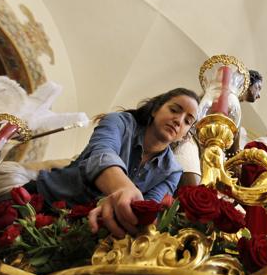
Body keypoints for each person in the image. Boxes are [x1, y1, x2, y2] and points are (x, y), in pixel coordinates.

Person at [22, 87, 200, 238]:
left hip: (85, 231)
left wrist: (134, 215)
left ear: (185, 134)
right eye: (174, 110)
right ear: (155, 110)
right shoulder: (119, 122)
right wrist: (124, 189)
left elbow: (148, 209)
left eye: (187, 121)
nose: (179, 120)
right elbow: (101, 153)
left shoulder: (173, 171)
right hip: (42, 202)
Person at [174, 70, 264, 188]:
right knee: (193, 188)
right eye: (258, 87)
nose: (259, 94)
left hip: (207, 152)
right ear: (249, 82)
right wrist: (236, 162)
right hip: (191, 143)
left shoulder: (232, 102)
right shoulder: (225, 98)